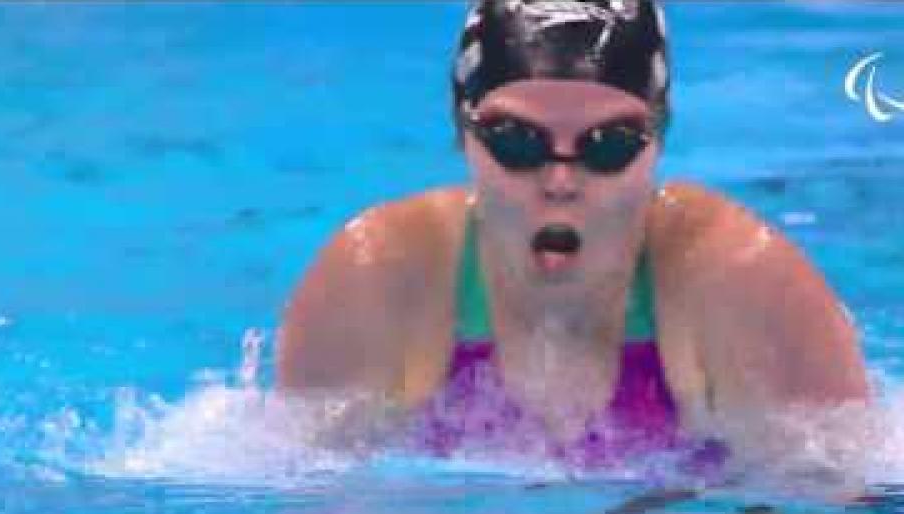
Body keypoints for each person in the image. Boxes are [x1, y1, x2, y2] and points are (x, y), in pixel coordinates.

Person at [276, 0, 869, 476]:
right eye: (517, 141)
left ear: (659, 139)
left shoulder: (742, 279)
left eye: (608, 145)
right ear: (462, 131)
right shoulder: (378, 275)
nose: (560, 181)